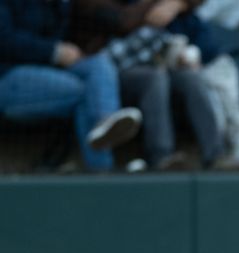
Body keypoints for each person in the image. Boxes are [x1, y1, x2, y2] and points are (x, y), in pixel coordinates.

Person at [73, 0, 226, 170]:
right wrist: (158, 5)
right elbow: (122, 20)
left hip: (153, 61)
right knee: (154, 78)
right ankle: (161, 157)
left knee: (190, 78)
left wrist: (178, 4)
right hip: (108, 71)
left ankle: (216, 155)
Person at [0, 0, 142, 171]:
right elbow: (5, 40)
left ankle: (105, 121)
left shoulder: (61, 5)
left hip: (50, 68)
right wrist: (53, 51)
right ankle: (101, 170)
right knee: (83, 91)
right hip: (9, 75)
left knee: (99, 64)